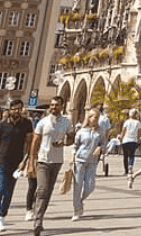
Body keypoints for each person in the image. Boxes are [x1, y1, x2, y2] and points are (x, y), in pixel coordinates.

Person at [27, 95, 73, 236]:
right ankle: (38, 221)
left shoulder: (67, 122)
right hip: (42, 160)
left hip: (57, 161)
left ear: (62, 107)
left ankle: (39, 212)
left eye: (56, 105)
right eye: (52, 105)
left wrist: (64, 142)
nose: (53, 107)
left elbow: (71, 138)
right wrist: (31, 162)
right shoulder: (43, 122)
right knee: (42, 190)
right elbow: (35, 142)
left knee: (48, 192)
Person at [0, 96, 34, 231]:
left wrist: (24, 161)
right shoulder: (2, 125)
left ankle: (2, 217)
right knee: (1, 188)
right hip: (2, 161)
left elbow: (29, 144)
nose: (17, 111)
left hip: (17, 164)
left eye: (19, 109)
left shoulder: (26, 124)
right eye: (14, 109)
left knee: (9, 192)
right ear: (10, 110)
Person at [71, 107, 102, 220]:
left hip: (92, 162)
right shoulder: (81, 131)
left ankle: (80, 201)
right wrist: (73, 157)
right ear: (88, 118)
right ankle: (76, 210)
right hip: (80, 160)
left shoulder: (100, 131)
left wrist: (100, 148)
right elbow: (75, 145)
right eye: (93, 116)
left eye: (97, 117)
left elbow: (104, 143)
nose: (95, 118)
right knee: (77, 186)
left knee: (90, 186)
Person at [120, 108, 141, 176]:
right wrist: (138, 139)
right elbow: (139, 132)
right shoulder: (138, 122)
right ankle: (130, 165)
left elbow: (123, 131)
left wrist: (121, 137)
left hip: (126, 140)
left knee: (125, 156)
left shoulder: (126, 122)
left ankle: (126, 170)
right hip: (133, 140)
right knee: (132, 155)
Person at [96, 103, 112, 176]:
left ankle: (92, 167)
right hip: (102, 139)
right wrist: (107, 138)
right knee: (99, 153)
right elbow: (108, 130)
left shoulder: (93, 118)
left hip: (93, 138)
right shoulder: (105, 119)